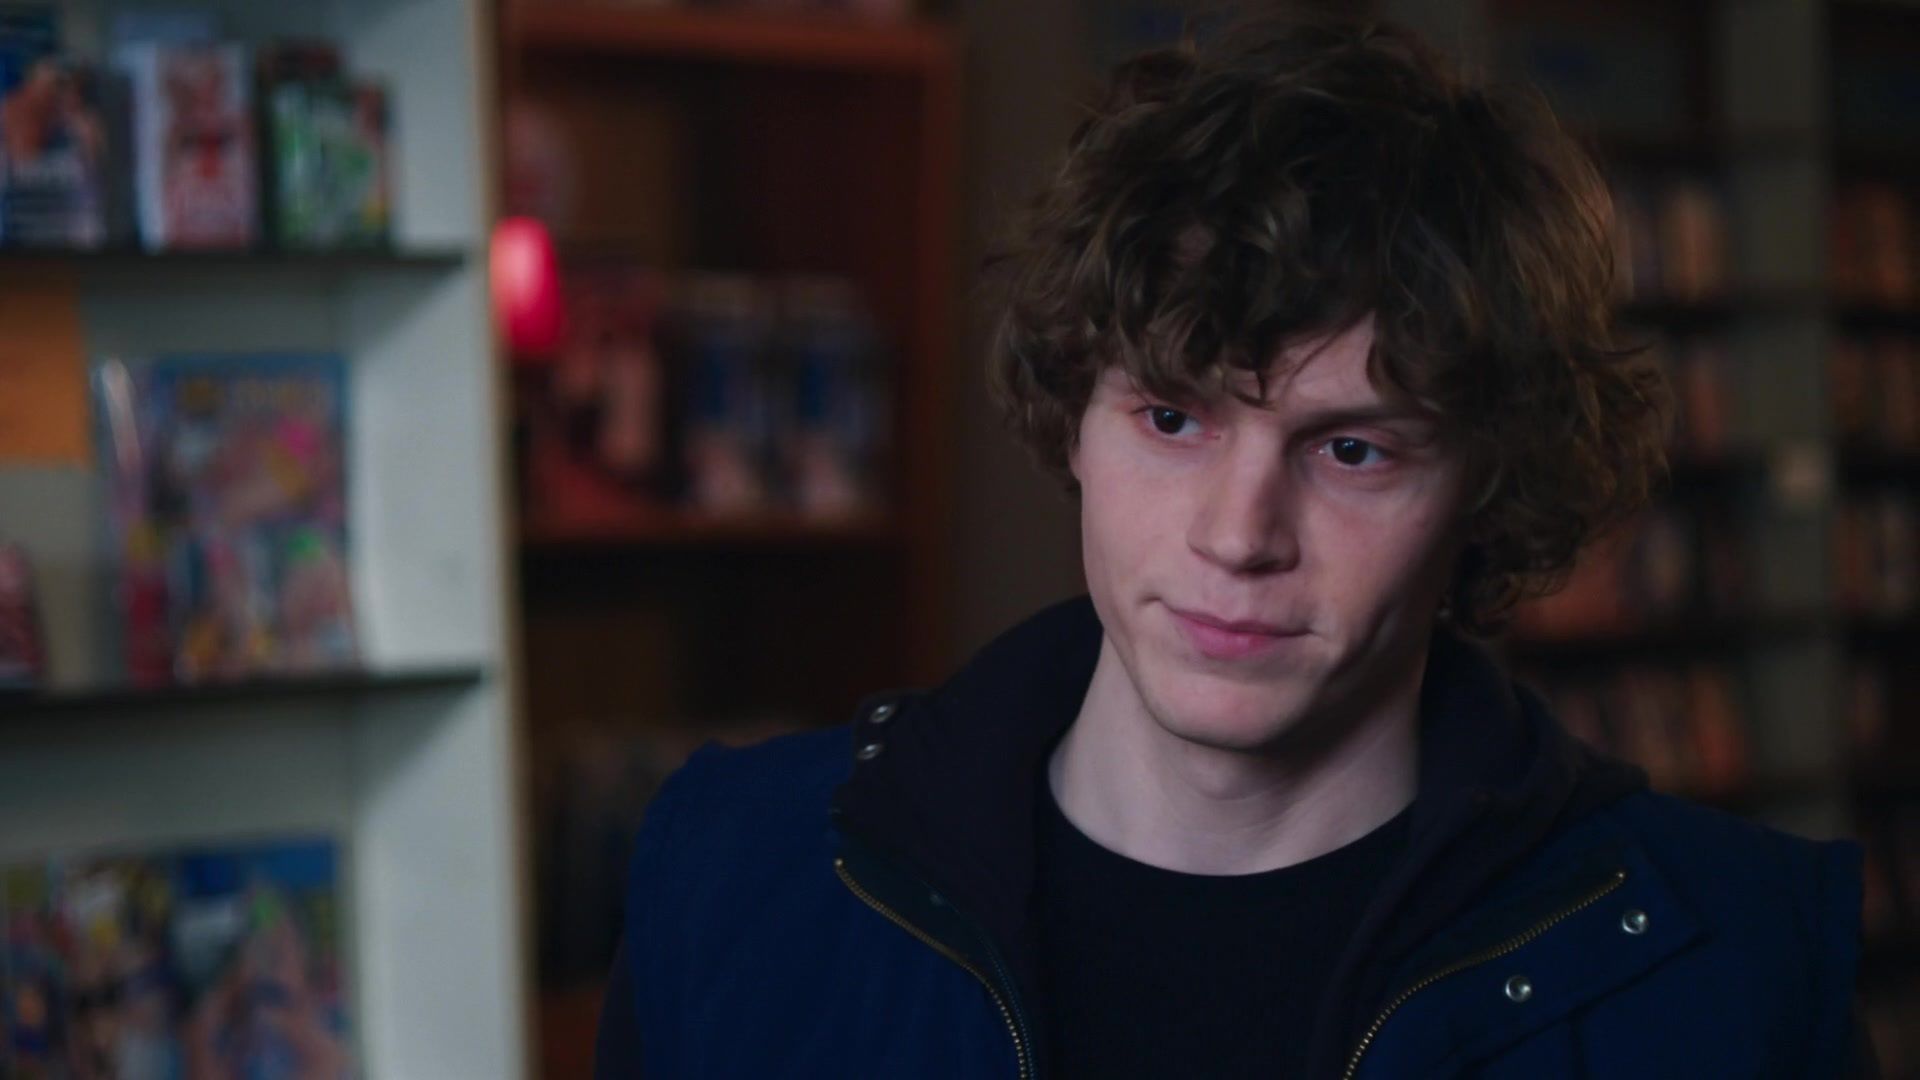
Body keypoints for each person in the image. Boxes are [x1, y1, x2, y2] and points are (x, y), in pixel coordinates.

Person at [594, 10, 1876, 1077]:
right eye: (1170, 416)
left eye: (1353, 450)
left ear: (1487, 485)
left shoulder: (1746, 965)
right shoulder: (733, 870)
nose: (1238, 534)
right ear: (1076, 421)